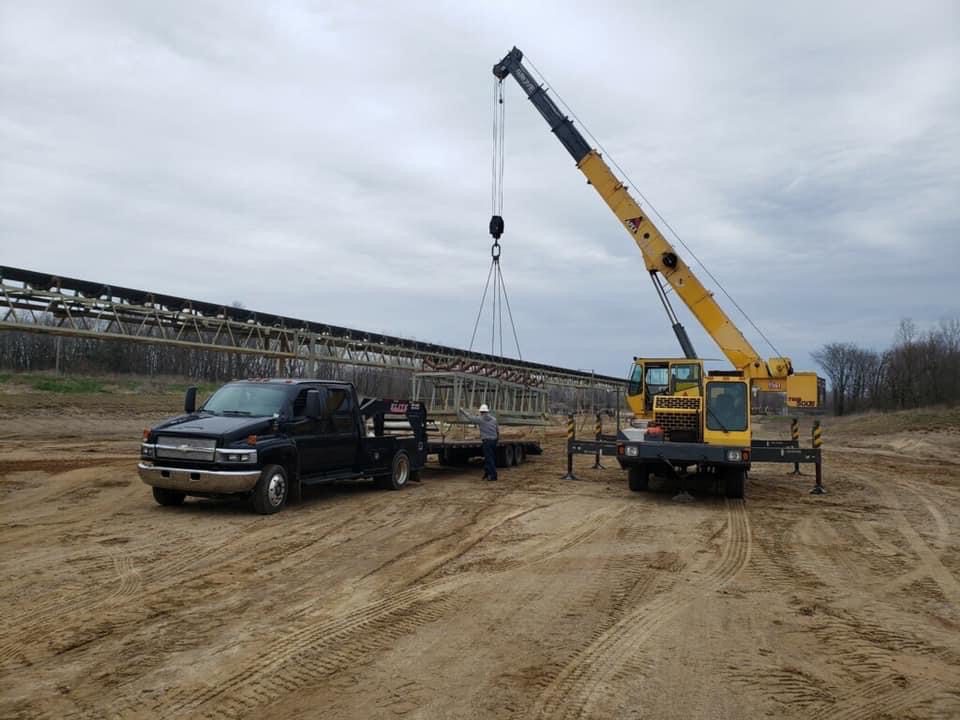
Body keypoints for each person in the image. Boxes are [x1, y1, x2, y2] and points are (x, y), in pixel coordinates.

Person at [459, 403, 499, 481]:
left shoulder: (480, 419)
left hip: (487, 441)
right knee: (490, 458)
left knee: (489, 458)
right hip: (494, 440)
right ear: (487, 411)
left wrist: (462, 411)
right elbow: (497, 430)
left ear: (481, 412)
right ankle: (487, 473)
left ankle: (493, 476)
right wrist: (497, 439)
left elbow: (470, 418)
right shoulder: (494, 419)